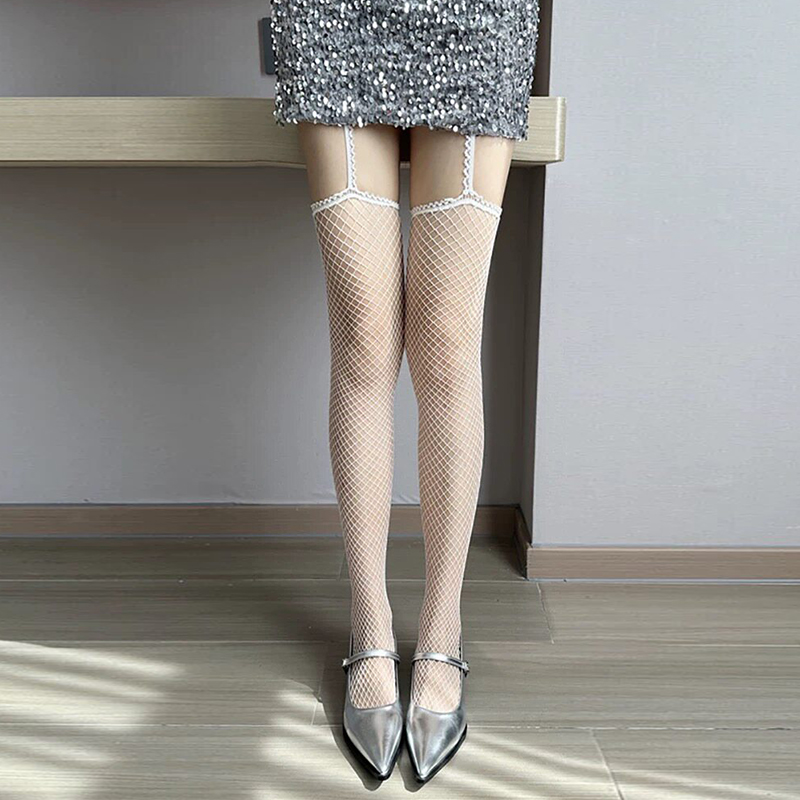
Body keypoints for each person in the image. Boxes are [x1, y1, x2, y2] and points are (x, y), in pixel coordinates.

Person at [271, 0, 540, 783]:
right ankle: (369, 626)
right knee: (363, 332)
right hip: (334, 18)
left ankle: (442, 629)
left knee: (447, 340)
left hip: (477, 18)